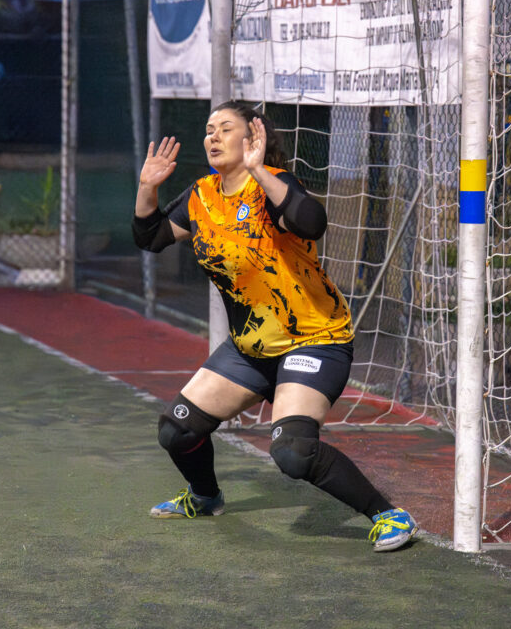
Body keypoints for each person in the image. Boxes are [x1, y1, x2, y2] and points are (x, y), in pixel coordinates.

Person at [131, 101, 417, 552]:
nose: (213, 136)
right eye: (209, 129)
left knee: (292, 453)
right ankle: (205, 497)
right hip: (251, 349)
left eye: (226, 128)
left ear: (251, 139)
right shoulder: (202, 196)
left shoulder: (274, 186)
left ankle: (387, 513)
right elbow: (150, 237)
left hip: (314, 340)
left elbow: (313, 222)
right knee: (176, 430)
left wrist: (260, 170)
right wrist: (147, 188)